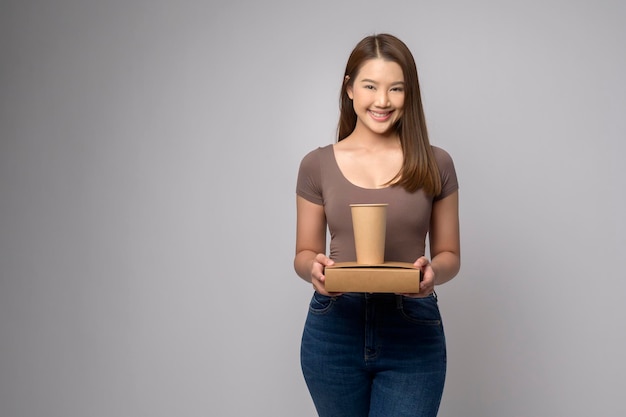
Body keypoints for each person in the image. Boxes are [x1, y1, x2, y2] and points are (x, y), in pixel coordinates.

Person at [294, 33, 460, 417]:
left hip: (412, 325)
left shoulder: (436, 163)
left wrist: (433, 272)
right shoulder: (316, 165)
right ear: (350, 88)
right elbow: (304, 252)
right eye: (370, 86)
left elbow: (449, 254)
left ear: (409, 94)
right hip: (334, 326)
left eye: (396, 89)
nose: (383, 100)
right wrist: (313, 269)